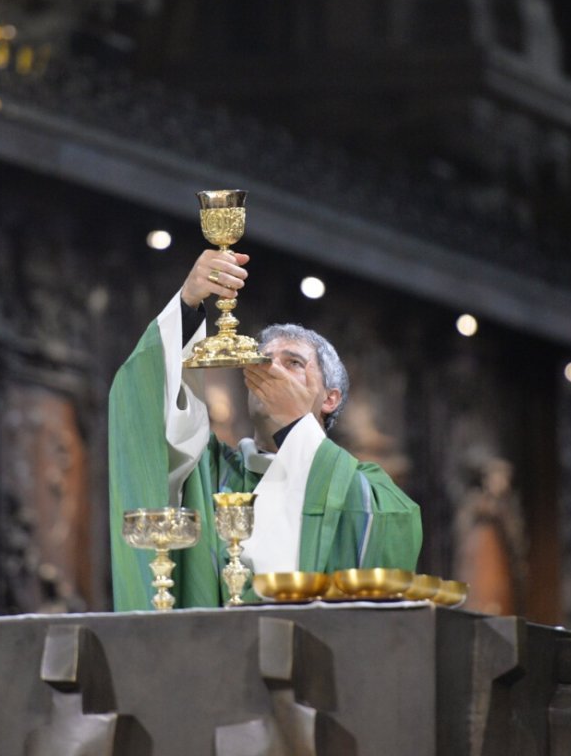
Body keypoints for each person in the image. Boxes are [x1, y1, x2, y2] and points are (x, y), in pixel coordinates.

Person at [109, 249, 422, 610]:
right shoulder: (210, 472)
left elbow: (392, 525)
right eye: (263, 359)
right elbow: (147, 413)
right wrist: (188, 302)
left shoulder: (367, 487)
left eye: (293, 363)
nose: (270, 370)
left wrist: (294, 426)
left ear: (330, 399)